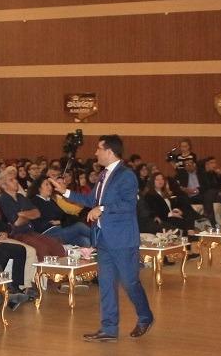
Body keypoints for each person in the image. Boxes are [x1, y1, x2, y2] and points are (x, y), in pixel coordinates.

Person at [54, 134, 154, 342]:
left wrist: (102, 209)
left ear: (109, 151)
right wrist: (66, 192)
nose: (95, 152)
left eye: (99, 149)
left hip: (122, 239)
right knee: (106, 285)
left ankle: (145, 316)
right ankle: (109, 328)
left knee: (130, 283)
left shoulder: (126, 175)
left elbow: (128, 204)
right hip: (103, 239)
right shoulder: (103, 174)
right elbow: (90, 200)